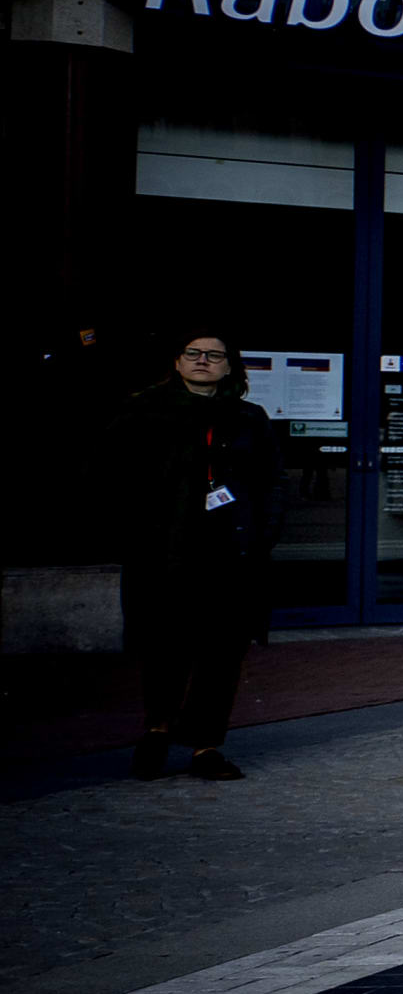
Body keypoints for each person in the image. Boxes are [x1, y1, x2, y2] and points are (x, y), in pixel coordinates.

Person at [115, 332, 280, 780]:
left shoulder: (249, 418)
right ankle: (157, 730)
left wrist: (264, 532)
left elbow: (270, 482)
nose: (203, 361)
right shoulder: (143, 411)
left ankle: (206, 747)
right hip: (165, 552)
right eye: (194, 354)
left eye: (214, 355)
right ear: (177, 362)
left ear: (230, 367)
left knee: (222, 654)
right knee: (165, 648)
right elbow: (116, 478)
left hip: (231, 555)